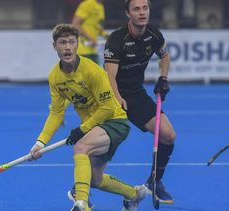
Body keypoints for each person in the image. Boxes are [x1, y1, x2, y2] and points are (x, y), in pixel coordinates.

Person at [29, 23, 148, 211]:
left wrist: (83, 129)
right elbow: (56, 112)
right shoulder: (55, 77)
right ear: (55, 46)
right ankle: (134, 195)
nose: (67, 47)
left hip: (115, 121)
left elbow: (108, 108)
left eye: (71, 42)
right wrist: (40, 143)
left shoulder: (92, 71)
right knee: (95, 179)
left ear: (77, 44)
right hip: (95, 128)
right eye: (62, 43)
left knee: (81, 147)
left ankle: (82, 204)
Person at [103, 0, 176, 205]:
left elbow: (165, 56)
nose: (142, 12)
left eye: (145, 8)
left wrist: (163, 78)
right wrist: (117, 99)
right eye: (136, 9)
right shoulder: (117, 39)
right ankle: (81, 187)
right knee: (101, 147)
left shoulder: (154, 35)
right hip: (109, 96)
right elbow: (109, 76)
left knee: (168, 135)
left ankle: (155, 181)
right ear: (128, 13)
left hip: (136, 95)